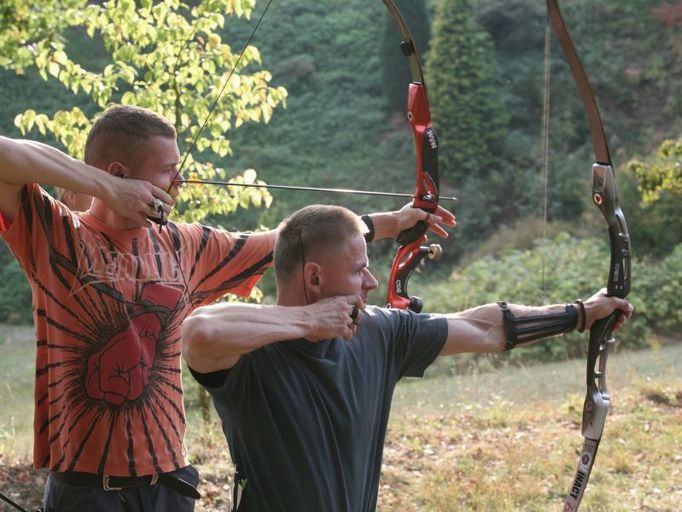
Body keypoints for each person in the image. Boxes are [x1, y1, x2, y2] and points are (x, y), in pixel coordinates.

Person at [0, 105, 455, 512]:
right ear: (119, 171)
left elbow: (287, 243)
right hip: (85, 489)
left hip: (167, 483)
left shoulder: (185, 244)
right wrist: (108, 189)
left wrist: (395, 222)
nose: (178, 182)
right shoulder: (58, 234)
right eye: (167, 171)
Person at [181, 204, 633, 512]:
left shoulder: (380, 330)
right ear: (314, 278)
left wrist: (580, 314)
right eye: (359, 270)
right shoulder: (248, 355)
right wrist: (309, 322)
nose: (372, 283)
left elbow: (483, 327)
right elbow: (199, 330)